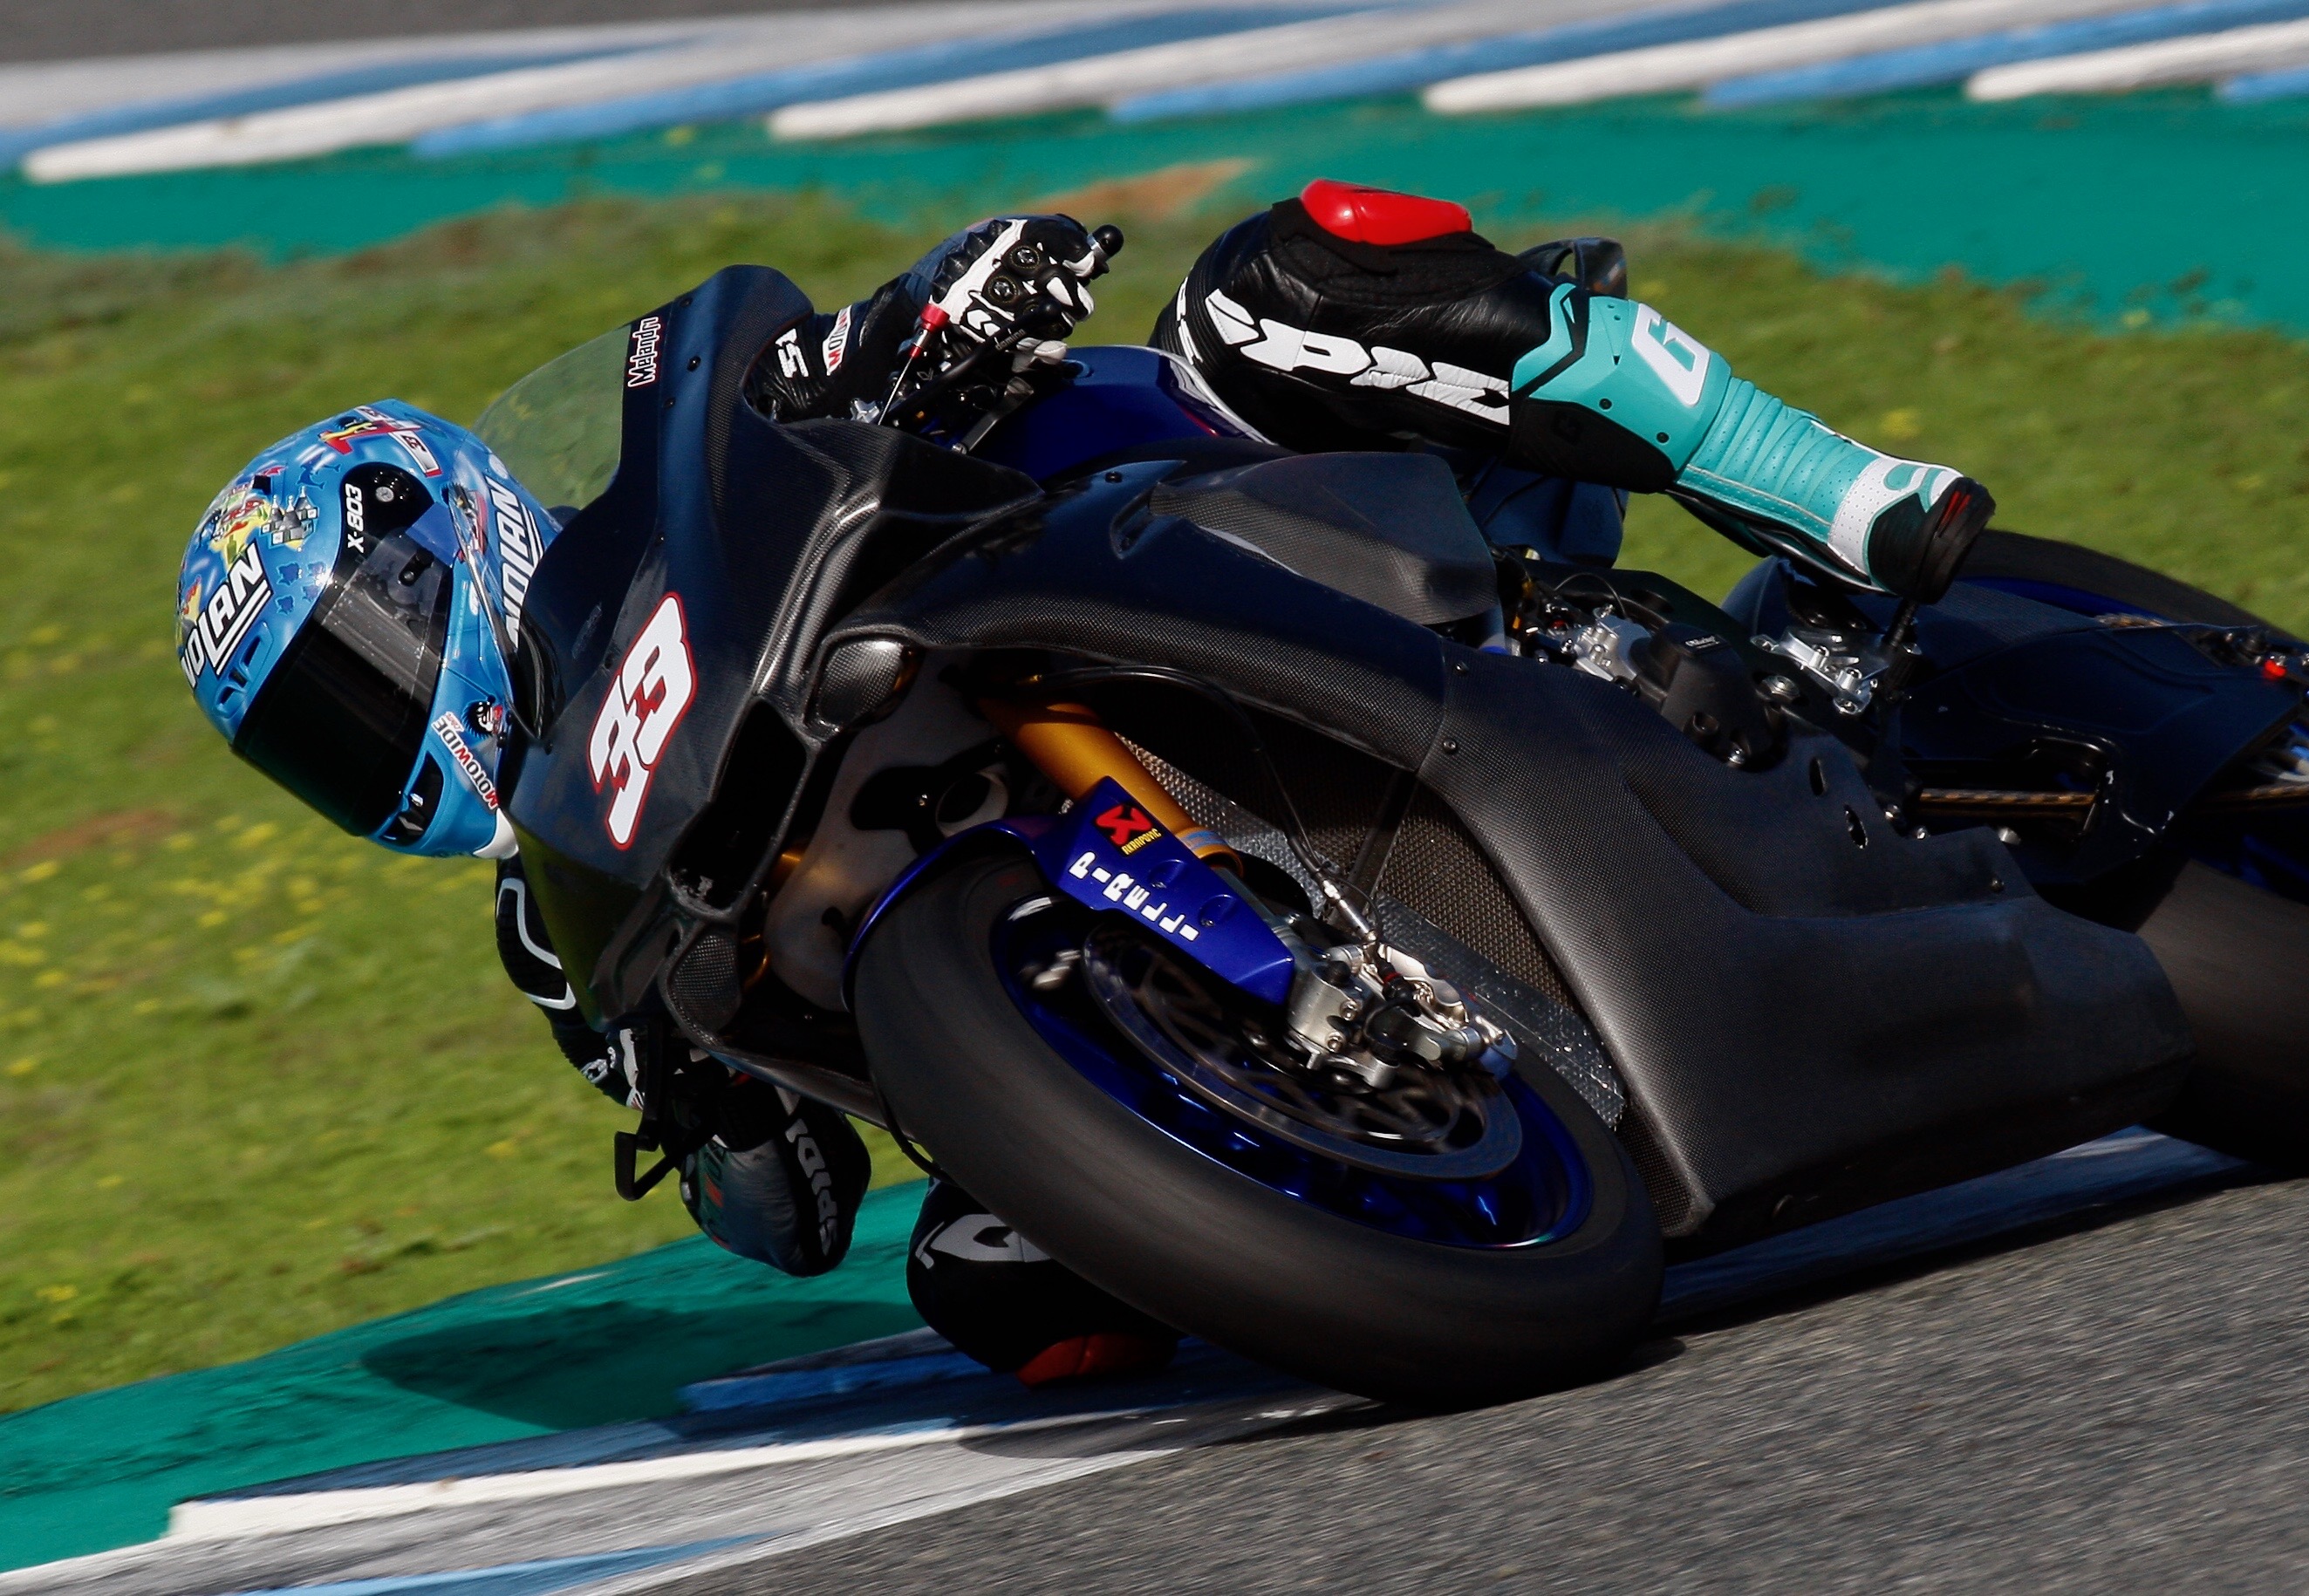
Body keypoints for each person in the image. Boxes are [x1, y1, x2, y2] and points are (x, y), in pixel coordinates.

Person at [174, 181, 1992, 1387]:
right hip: (1055, 876)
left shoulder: (683, 509)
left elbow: (829, 350)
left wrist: (942, 311)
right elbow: (794, 1212)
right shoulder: (564, 909)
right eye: (318, 738)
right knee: (994, 1281)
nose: (373, 731)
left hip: (1221, 523)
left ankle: (1835, 492)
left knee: (1272, 286)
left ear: (450, 534)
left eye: (360, 667)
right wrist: (711, 1119)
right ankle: (1363, 1135)